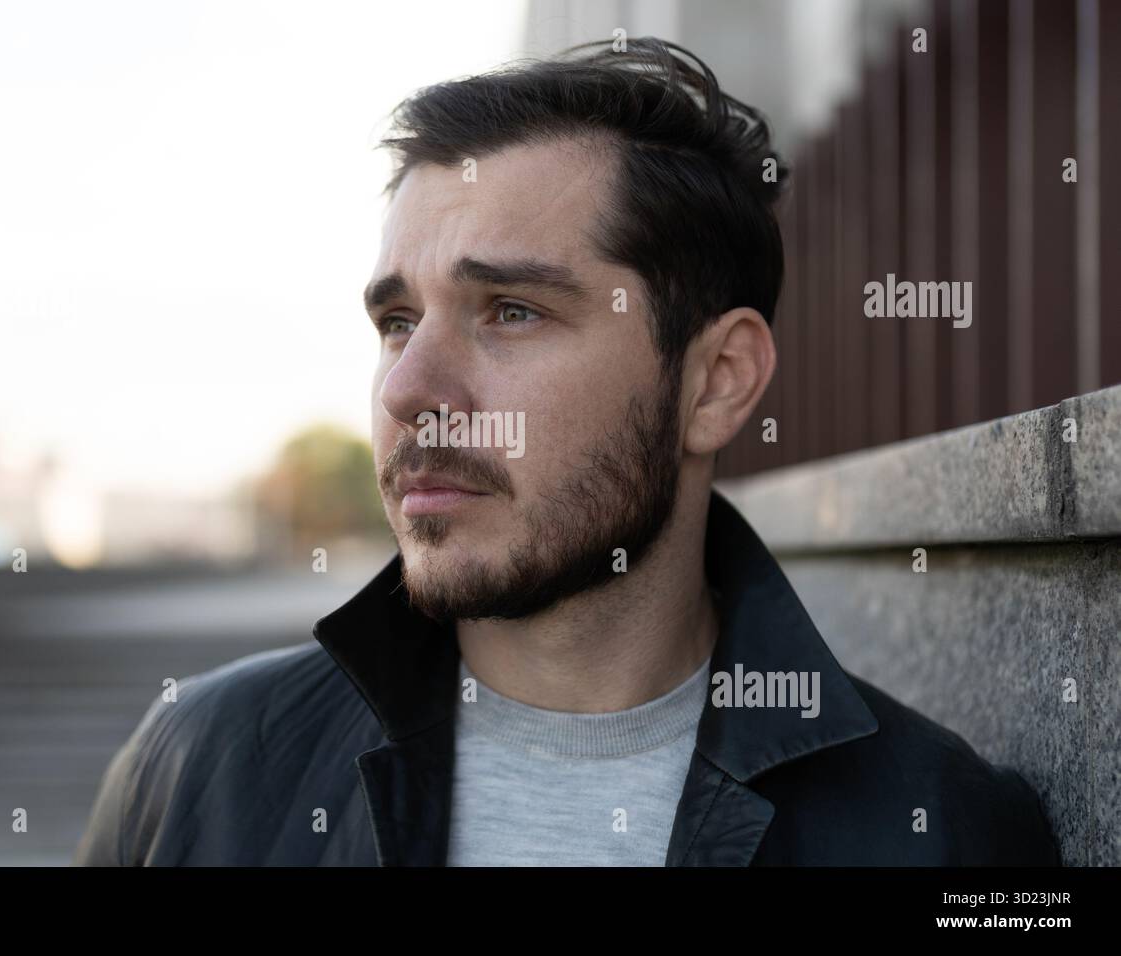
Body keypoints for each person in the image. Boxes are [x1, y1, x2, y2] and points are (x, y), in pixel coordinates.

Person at [74, 37, 1060, 866]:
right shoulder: (203, 769)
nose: (408, 390)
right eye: (396, 321)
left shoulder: (940, 831)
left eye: (509, 311)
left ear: (715, 380)